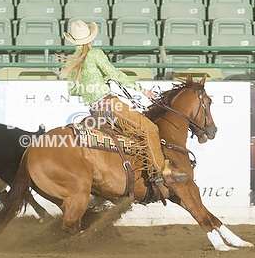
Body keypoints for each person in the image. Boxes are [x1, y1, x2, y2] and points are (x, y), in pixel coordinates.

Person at [60, 20, 188, 190]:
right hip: (110, 105)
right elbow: (116, 74)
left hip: (95, 111)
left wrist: (95, 82)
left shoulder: (71, 61)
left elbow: (73, 90)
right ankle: (160, 171)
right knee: (150, 129)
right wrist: (142, 90)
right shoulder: (95, 53)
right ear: (90, 38)